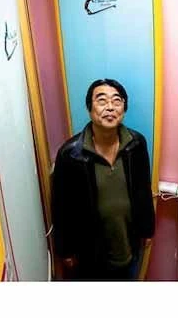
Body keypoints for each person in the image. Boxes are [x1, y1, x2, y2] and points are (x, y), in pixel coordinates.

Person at [51, 78, 154, 281]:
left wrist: (147, 228)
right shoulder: (70, 154)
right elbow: (62, 206)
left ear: (124, 109)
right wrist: (65, 249)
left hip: (129, 243)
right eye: (101, 100)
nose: (110, 107)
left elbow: (143, 189)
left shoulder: (136, 144)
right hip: (90, 252)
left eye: (117, 101)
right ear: (89, 109)